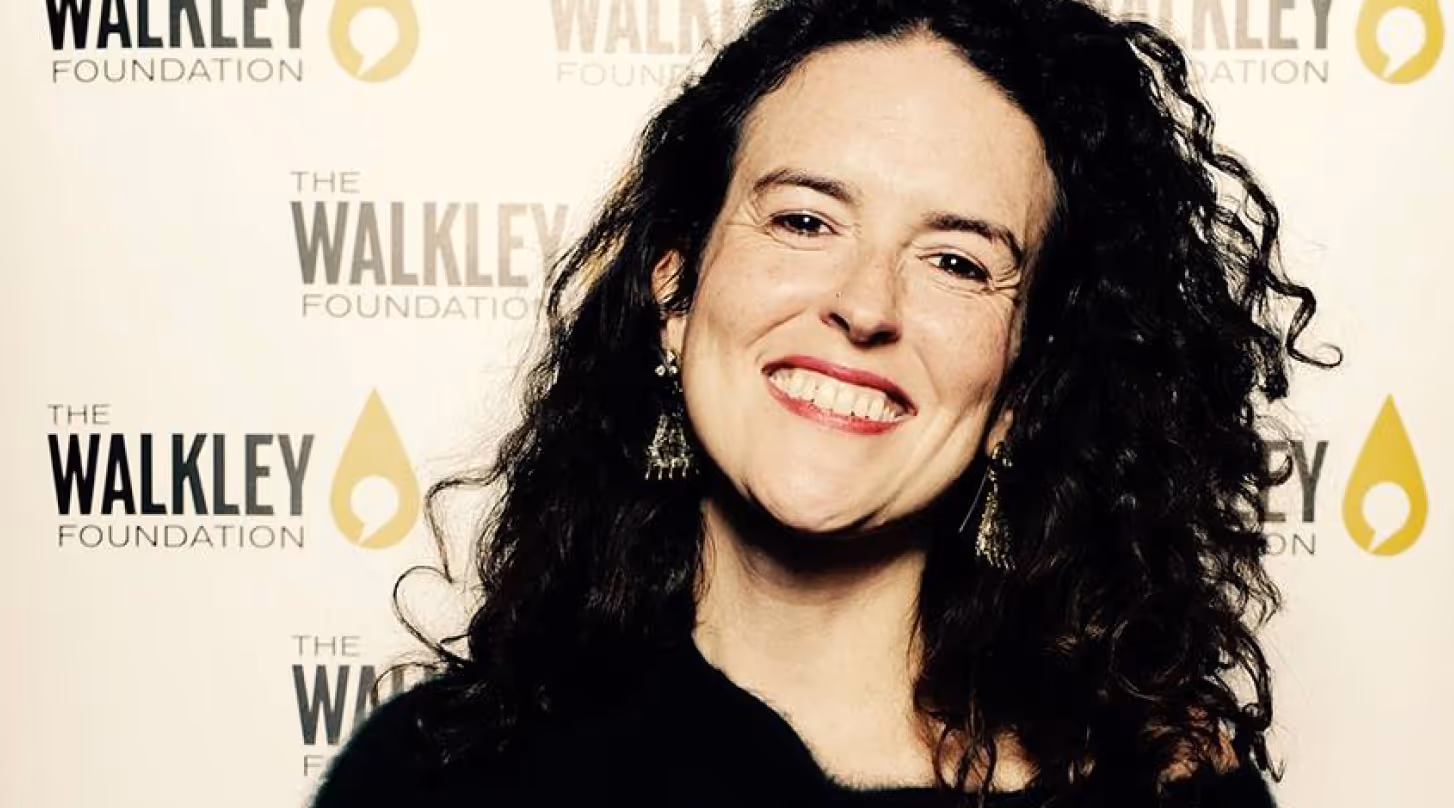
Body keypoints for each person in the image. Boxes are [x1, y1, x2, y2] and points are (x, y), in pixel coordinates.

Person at [311, 0, 1332, 805]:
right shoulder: (434, 775)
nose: (861, 304)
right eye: (802, 219)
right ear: (673, 293)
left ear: (1023, 384)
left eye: (954, 259)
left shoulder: (1156, 788)